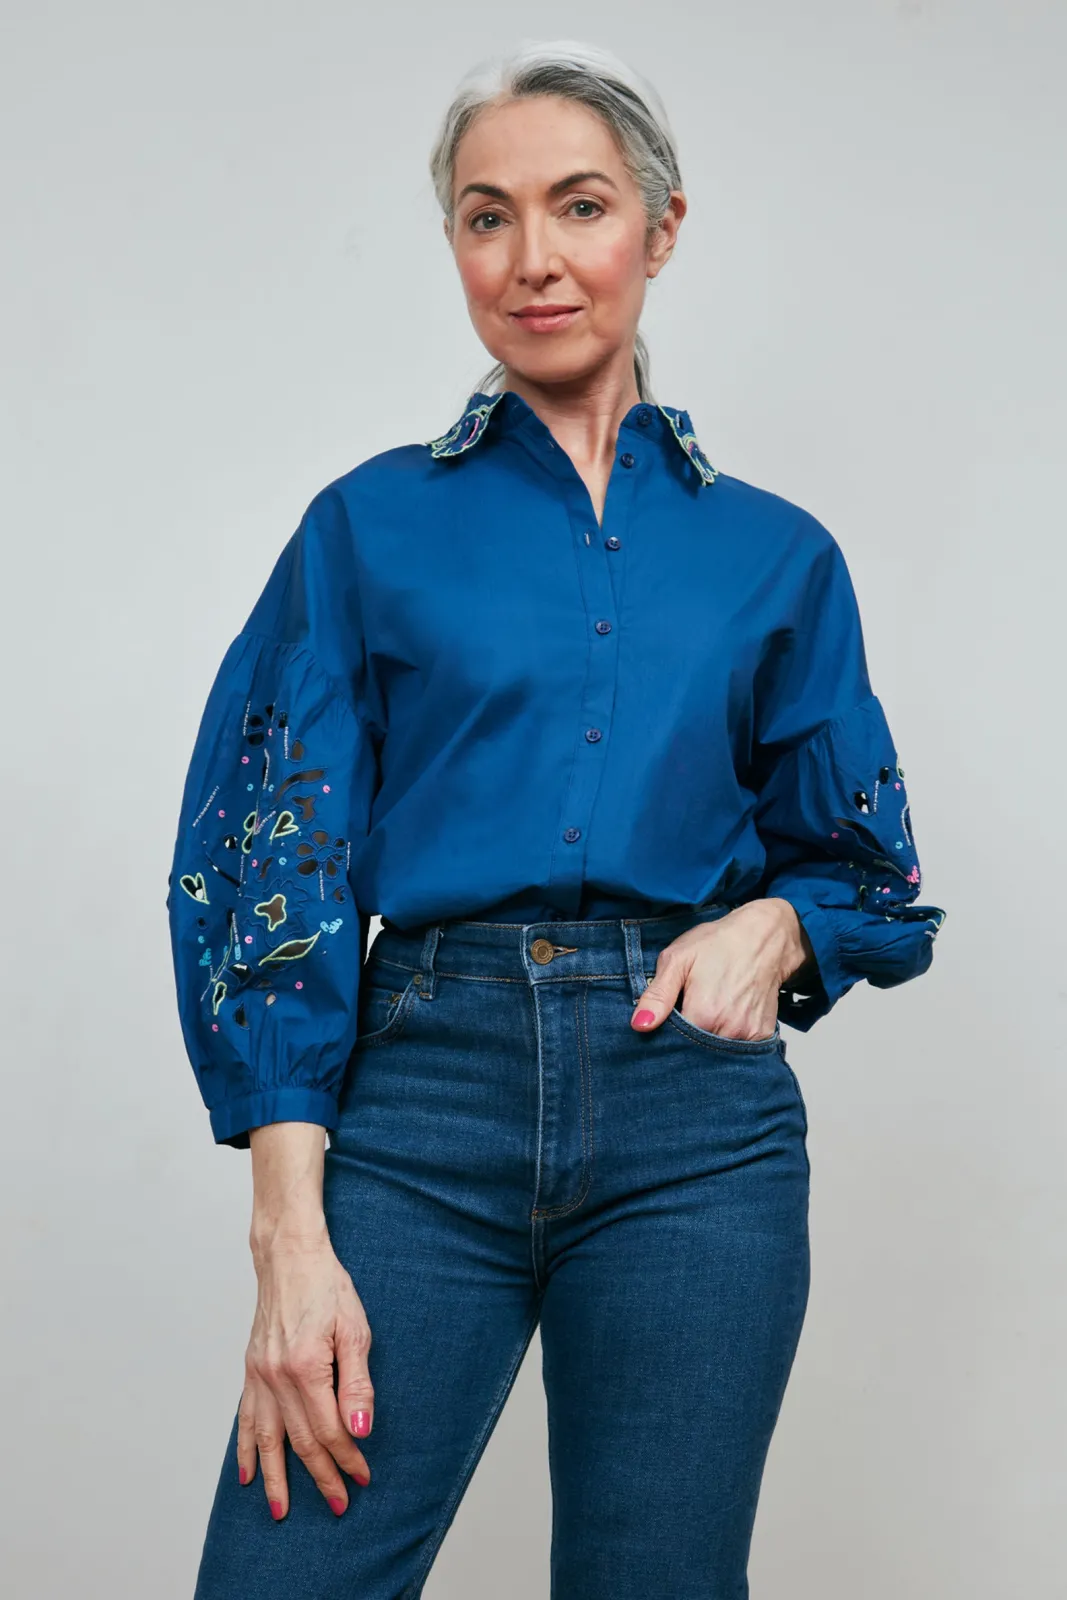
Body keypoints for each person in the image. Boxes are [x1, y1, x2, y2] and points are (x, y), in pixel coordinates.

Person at [166, 38, 946, 1600]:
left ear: (658, 228)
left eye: (577, 206)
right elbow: (266, 870)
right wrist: (286, 1235)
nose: (531, 258)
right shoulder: (367, 527)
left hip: (694, 1131)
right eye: (486, 215)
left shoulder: (775, 557)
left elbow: (865, 869)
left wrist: (778, 926)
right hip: (417, 1106)